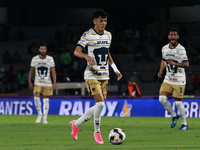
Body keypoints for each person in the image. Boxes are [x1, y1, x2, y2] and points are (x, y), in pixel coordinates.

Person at [70, 10, 122, 144]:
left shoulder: (109, 35)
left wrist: (115, 69)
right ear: (94, 21)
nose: (103, 23)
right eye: (101, 21)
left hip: (105, 75)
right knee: (99, 103)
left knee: (99, 106)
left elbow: (107, 52)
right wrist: (86, 56)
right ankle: (97, 132)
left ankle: (76, 124)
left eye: (105, 21)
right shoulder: (88, 35)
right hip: (91, 74)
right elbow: (76, 51)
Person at [157, 28, 189, 130]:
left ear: (178, 37)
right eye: (171, 35)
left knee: (178, 103)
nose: (173, 37)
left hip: (179, 80)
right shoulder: (164, 48)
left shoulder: (181, 49)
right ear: (169, 37)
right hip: (168, 79)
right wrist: (161, 71)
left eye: (175, 35)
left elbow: (186, 64)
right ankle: (174, 115)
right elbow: (163, 61)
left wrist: (175, 63)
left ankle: (184, 124)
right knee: (162, 99)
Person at [29, 43, 56, 124]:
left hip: (47, 82)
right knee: (36, 97)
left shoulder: (50, 59)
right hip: (37, 82)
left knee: (46, 100)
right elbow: (32, 70)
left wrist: (54, 82)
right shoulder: (34, 59)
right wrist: (30, 80)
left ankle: (45, 117)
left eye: (44, 49)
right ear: (39, 50)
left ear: (46, 50)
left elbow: (53, 71)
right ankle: (39, 114)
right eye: (41, 49)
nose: (43, 50)